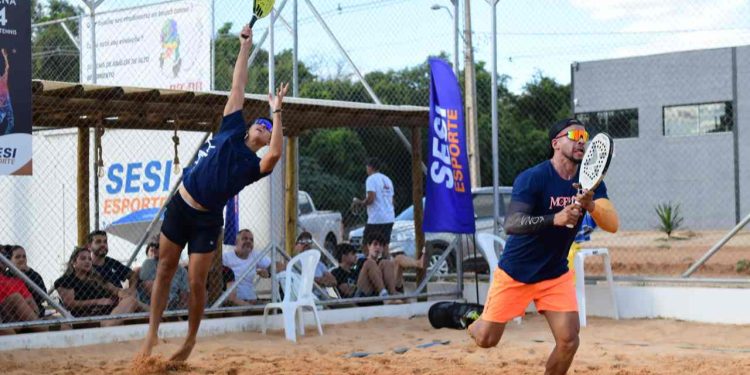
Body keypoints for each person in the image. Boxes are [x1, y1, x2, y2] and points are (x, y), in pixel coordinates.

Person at [138, 24, 288, 362]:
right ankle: (151, 334)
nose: (264, 129)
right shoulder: (232, 125)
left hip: (206, 219)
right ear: (250, 126)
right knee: (164, 267)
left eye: (268, 129)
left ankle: (189, 342)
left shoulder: (253, 165)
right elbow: (238, 84)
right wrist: (244, 48)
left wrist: (277, 111)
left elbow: (276, 153)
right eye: (261, 124)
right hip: (181, 204)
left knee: (195, 282)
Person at [468, 118, 619, 375]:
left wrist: (591, 204)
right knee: (486, 339)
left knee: (569, 340)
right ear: (556, 143)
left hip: (554, 273)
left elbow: (613, 223)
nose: (581, 139)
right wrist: (555, 218)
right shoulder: (533, 177)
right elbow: (512, 223)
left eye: (584, 135)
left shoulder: (590, 182)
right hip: (517, 271)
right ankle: (470, 318)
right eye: (574, 134)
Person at [54, 247, 139, 327]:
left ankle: (150, 319)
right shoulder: (65, 280)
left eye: (89, 259)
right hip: (87, 317)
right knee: (133, 303)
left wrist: (122, 294)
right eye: (83, 258)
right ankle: (108, 325)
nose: (87, 261)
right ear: (74, 262)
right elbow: (70, 304)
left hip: (108, 312)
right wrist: (98, 301)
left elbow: (115, 290)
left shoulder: (96, 278)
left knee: (131, 300)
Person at [222, 229, 282, 302]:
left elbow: (279, 265)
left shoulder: (255, 254)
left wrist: (269, 272)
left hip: (251, 299)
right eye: (244, 239)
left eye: (251, 240)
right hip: (233, 301)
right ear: (236, 242)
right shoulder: (226, 258)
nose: (248, 241)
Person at [352, 158, 395, 256]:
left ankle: (370, 264)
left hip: (376, 218)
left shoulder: (371, 179)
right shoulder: (387, 179)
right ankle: (385, 265)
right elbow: (392, 200)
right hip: (389, 217)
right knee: (384, 244)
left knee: (366, 243)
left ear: (370, 167)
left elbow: (371, 198)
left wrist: (360, 203)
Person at [137, 242, 189, 310]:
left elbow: (185, 292)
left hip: (174, 303)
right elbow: (147, 285)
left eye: (158, 247)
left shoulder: (182, 271)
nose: (155, 250)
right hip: (152, 303)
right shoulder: (148, 264)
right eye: (152, 249)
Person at [2, 245, 47, 317]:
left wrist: (28, 273)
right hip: (14, 315)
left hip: (36, 312)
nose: (21, 259)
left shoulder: (34, 275)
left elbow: (43, 297)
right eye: (17, 257)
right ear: (10, 260)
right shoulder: (5, 276)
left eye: (24, 256)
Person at [0, 48, 14, 135]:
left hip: (7, 104)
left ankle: (5, 139)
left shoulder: (3, 79)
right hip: (2, 106)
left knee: (11, 123)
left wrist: (5, 56)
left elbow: (7, 67)